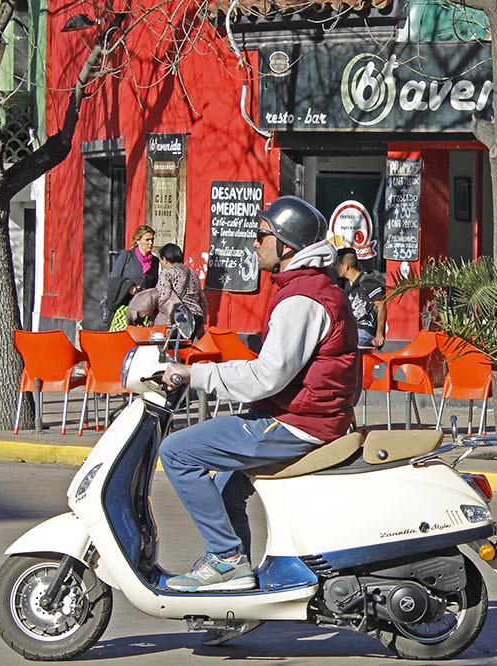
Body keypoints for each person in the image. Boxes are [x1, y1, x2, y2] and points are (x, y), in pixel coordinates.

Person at [158, 196, 358, 609]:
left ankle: (227, 560)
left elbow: (266, 377)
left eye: (261, 235)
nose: (254, 242)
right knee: (225, 488)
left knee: (177, 452)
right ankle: (237, 598)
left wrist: (195, 375)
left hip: (298, 423)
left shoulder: (302, 299)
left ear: (286, 244)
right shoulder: (308, 288)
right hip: (302, 414)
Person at [130, 243, 208, 336]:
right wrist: (202, 323)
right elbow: (202, 300)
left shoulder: (167, 273)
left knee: (167, 344)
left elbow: (163, 297)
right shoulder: (192, 274)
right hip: (195, 319)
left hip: (177, 320)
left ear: (164, 260)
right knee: (185, 345)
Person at [104, 225, 158, 331]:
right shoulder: (127, 256)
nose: (150, 243)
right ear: (138, 241)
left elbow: (154, 286)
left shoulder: (155, 262)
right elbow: (112, 279)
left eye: (152, 239)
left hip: (143, 313)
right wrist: (129, 287)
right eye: (147, 240)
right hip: (123, 308)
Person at [334, 247, 387, 349]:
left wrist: (379, 334)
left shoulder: (367, 282)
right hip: (350, 329)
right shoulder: (345, 285)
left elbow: (381, 306)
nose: (336, 268)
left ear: (345, 266)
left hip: (364, 330)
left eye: (337, 264)